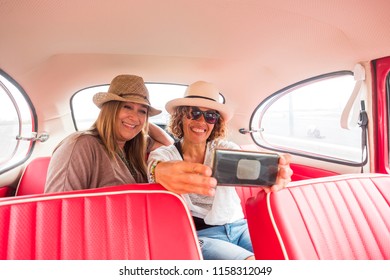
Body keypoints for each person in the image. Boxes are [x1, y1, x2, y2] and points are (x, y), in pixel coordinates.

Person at [147, 80, 293, 260]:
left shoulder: (223, 148)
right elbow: (155, 167)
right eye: (195, 113)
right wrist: (159, 171)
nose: (201, 121)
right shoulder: (166, 154)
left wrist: (274, 172)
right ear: (182, 116)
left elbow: (247, 161)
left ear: (215, 123)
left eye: (210, 116)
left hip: (240, 227)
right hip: (203, 234)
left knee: (282, 256)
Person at [45, 74, 173, 193]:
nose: (134, 116)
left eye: (142, 111)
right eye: (127, 107)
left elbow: (168, 145)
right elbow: (58, 207)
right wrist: (135, 121)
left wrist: (140, 123)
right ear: (109, 109)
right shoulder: (81, 145)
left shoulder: (132, 143)